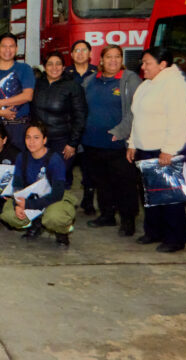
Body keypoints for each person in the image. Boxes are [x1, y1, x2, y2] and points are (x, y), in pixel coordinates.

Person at [127, 47, 186, 252]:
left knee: (170, 196)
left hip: (167, 148)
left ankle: (175, 239)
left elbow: (179, 121)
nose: (143, 67)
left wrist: (169, 150)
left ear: (163, 64)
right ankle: (154, 232)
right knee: (151, 195)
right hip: (146, 148)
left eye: (147, 63)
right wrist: (133, 143)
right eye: (142, 63)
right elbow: (137, 117)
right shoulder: (147, 85)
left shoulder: (175, 84)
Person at [81, 44, 141, 236]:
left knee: (124, 185)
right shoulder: (90, 81)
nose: (113, 61)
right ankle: (107, 215)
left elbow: (137, 110)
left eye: (117, 57)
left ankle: (128, 220)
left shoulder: (129, 79)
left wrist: (121, 131)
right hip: (92, 143)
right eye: (109, 57)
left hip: (118, 145)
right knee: (102, 183)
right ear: (101, 60)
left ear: (121, 60)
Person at [0, 121, 77, 247]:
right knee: (8, 214)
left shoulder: (54, 160)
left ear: (44, 140)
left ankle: (62, 230)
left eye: (36, 138)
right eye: (28, 137)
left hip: (54, 198)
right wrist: (17, 204)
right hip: (32, 196)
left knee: (54, 218)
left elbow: (57, 194)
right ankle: (36, 223)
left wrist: (29, 204)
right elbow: (17, 185)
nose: (31, 142)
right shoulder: (22, 157)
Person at [31, 52, 86, 183]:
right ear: (44, 67)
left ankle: (62, 203)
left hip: (62, 142)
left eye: (58, 64)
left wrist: (72, 144)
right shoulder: (37, 84)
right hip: (41, 141)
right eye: (50, 64)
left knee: (58, 177)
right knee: (40, 179)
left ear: (63, 67)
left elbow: (80, 116)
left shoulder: (72, 86)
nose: (54, 67)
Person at [63, 40, 98, 213]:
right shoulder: (65, 74)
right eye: (76, 50)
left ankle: (88, 200)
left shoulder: (98, 74)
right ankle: (65, 200)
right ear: (71, 55)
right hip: (69, 127)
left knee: (89, 167)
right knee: (66, 165)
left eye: (84, 50)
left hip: (90, 127)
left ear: (90, 54)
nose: (80, 53)